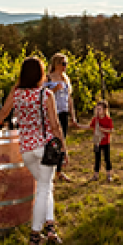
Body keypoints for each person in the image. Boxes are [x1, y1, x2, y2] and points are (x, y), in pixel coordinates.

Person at [0, 56, 68, 245]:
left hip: (26, 149)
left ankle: (51, 227)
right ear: (41, 74)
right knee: (44, 188)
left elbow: (3, 114)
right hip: (45, 148)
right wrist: (63, 147)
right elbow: (55, 125)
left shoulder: (17, 93)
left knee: (45, 187)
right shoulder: (46, 95)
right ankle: (35, 235)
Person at [45, 53, 77, 182]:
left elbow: (69, 99)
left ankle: (59, 171)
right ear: (57, 64)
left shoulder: (65, 79)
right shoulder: (48, 79)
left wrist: (73, 115)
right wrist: (54, 90)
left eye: (66, 64)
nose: (66, 66)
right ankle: (49, 171)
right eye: (64, 63)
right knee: (53, 142)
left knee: (62, 140)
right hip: (53, 113)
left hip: (63, 112)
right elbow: (42, 96)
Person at [76, 100, 114, 182]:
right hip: (97, 143)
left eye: (99, 109)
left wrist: (103, 129)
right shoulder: (95, 119)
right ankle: (95, 175)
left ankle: (109, 175)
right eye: (97, 109)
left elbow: (111, 130)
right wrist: (79, 126)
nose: (97, 111)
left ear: (105, 110)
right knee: (97, 159)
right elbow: (90, 127)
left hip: (105, 143)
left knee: (107, 159)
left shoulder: (108, 119)